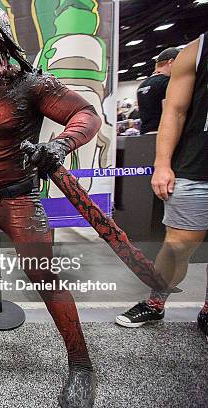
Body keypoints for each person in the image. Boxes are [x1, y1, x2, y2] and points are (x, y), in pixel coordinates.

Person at [0, 7, 101, 407]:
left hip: (20, 198)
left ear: (1, 47)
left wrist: (61, 144)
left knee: (44, 277)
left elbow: (86, 114)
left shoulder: (32, 86)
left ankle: (81, 365)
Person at [116, 34, 208, 343]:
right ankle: (155, 302)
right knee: (178, 244)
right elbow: (175, 110)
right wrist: (163, 163)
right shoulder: (196, 51)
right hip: (196, 166)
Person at [136, 47, 180, 133]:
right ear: (171, 62)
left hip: (144, 134)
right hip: (161, 134)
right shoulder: (167, 83)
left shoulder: (142, 85)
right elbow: (169, 115)